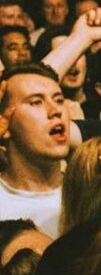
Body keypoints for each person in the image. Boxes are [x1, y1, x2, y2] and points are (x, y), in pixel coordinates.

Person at [0, 64, 71, 237]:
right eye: (36, 102)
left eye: (59, 100)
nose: (55, 111)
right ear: (4, 122)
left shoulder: (91, 189)